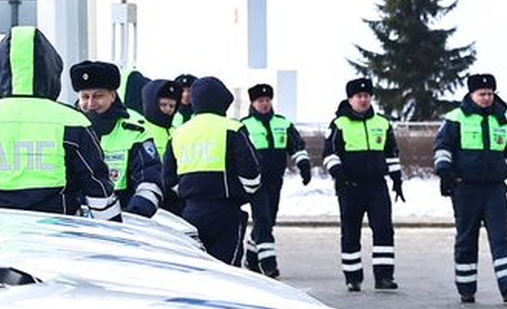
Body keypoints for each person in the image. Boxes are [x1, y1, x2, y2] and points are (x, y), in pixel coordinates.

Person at [0, 26, 120, 221]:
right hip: (59, 236)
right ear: (51, 69)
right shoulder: (72, 121)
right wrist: (116, 234)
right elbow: (98, 189)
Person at [433, 72, 507, 304]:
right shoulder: (456, 118)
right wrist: (444, 172)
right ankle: (466, 288)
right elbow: (443, 146)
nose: (486, 98)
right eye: (481, 94)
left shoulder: (504, 119)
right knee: (467, 238)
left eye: (490, 94)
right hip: (465, 188)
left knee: (500, 237)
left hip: (495, 189)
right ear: (471, 94)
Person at [162, 76, 262, 265]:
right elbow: (252, 174)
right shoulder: (233, 128)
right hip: (226, 212)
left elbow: (168, 178)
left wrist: (188, 194)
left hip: (190, 212)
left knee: (195, 268)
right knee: (226, 270)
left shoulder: (178, 133)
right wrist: (242, 194)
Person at [323, 77, 403, 291]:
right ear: (350, 99)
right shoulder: (339, 124)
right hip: (350, 186)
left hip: (377, 186)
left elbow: (391, 153)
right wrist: (338, 173)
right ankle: (353, 277)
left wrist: (396, 178)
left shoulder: (382, 123)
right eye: (359, 96)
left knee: (384, 228)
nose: (363, 100)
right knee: (351, 231)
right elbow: (329, 153)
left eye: (366, 96)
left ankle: (384, 277)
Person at [71, 60, 164, 218]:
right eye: (85, 97)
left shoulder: (135, 134)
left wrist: (134, 215)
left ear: (112, 96)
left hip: (123, 225)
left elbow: (150, 181)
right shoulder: (69, 130)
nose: (91, 103)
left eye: (98, 96)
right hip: (74, 225)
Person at [241, 82, 312, 278]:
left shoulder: (283, 123)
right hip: (255, 182)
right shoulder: (244, 125)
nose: (264, 104)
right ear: (253, 103)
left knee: (268, 220)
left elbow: (296, 146)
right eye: (260, 101)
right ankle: (268, 263)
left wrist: (304, 165)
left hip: (275, 180)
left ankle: (251, 257)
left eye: (267, 100)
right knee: (262, 219)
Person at [141, 78, 184, 215]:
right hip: (149, 195)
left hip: (175, 198)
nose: (168, 110)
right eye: (163, 105)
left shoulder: (177, 132)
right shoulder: (140, 131)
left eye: (172, 106)